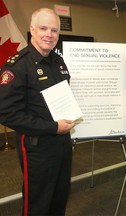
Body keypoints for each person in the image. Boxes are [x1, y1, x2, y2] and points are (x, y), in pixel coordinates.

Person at [0, 8, 75, 216]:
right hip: (37, 149)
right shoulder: (18, 66)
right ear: (31, 29)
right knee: (38, 204)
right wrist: (53, 127)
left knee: (60, 198)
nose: (49, 35)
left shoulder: (58, 62)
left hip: (63, 144)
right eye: (43, 28)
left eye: (54, 30)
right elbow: (6, 113)